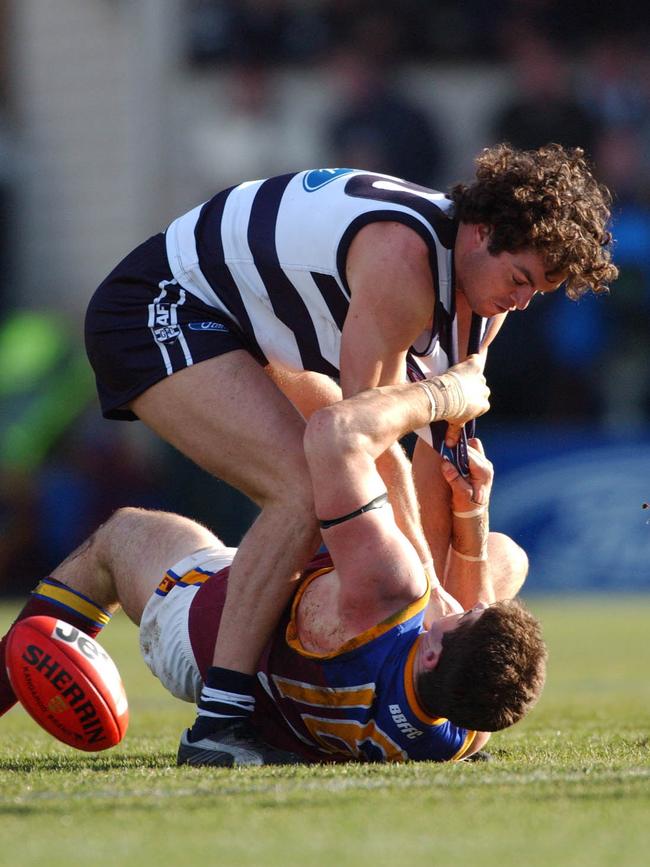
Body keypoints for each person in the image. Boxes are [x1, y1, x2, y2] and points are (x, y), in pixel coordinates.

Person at [83, 144, 613, 762]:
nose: (521, 303)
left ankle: (60, 627)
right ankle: (219, 725)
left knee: (479, 547)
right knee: (303, 490)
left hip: (253, 330)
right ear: (482, 232)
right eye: (520, 280)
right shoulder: (402, 258)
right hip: (163, 303)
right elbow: (363, 435)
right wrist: (421, 594)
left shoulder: (484, 301)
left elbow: (441, 464)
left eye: (537, 293)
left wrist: (442, 611)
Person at [1, 358, 546, 764]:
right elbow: (481, 595)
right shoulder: (452, 737)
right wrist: (471, 515)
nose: (457, 607)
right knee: (504, 557)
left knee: (120, 538)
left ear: (430, 653)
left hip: (207, 637)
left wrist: (442, 393)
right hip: (287, 710)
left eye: (459, 619)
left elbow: (339, 434)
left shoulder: (388, 585)